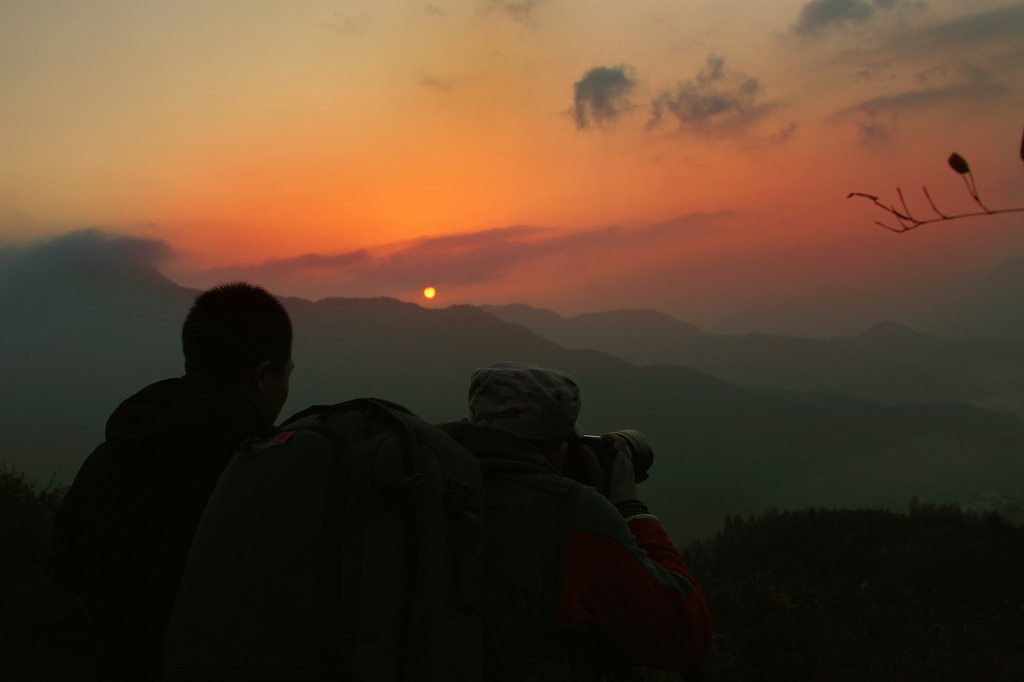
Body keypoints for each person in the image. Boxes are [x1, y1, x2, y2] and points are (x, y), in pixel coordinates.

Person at [53, 282, 294, 682]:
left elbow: (66, 569)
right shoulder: (268, 473)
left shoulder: (114, 453)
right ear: (262, 377)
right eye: (286, 375)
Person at [440, 361, 712, 680]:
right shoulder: (572, 512)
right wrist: (631, 508)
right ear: (562, 447)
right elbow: (684, 636)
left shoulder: (433, 485)